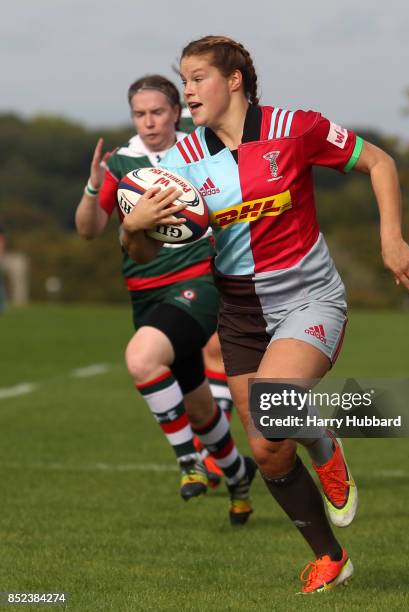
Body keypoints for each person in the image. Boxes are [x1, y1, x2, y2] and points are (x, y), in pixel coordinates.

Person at [121, 37, 409, 594]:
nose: (187, 91)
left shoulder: (297, 126)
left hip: (309, 298)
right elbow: (147, 252)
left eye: (197, 78)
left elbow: (379, 162)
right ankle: (332, 557)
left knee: (274, 407)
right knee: (268, 449)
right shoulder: (178, 164)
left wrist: (392, 239)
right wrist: (134, 226)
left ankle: (323, 443)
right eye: (184, 80)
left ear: (235, 79)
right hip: (240, 313)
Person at [74, 74, 256, 525]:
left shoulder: (200, 150)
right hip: (145, 294)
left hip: (198, 281)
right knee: (198, 406)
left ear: (176, 111)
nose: (150, 121)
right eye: (140, 114)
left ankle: (188, 462)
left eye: (158, 112)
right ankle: (237, 475)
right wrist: (95, 185)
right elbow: (87, 231)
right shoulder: (122, 164)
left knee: (141, 359)